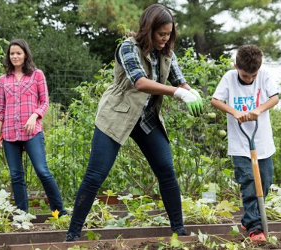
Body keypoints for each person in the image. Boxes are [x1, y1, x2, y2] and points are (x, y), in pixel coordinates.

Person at [65, 4, 203, 242]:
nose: (165, 39)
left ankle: (179, 231)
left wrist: (192, 92)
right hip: (116, 115)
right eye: (161, 34)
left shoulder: (167, 52)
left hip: (146, 118)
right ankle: (73, 234)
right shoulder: (128, 47)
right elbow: (139, 82)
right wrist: (177, 93)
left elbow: (179, 81)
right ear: (148, 30)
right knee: (96, 175)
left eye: (169, 34)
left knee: (166, 170)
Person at [211, 44, 279, 243]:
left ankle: (248, 219)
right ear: (235, 67)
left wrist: (258, 109)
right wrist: (234, 112)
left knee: (264, 182)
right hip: (240, 144)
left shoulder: (264, 75)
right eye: (245, 76)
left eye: (253, 76)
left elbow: (274, 98)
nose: (249, 79)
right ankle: (255, 227)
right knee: (249, 182)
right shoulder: (229, 78)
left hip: (263, 142)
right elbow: (215, 100)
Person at [0, 39, 67, 216]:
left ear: (25, 54)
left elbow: (45, 102)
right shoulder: (3, 80)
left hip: (32, 131)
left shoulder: (37, 75)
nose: (15, 56)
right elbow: (0, 109)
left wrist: (35, 116)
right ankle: (22, 215)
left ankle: (60, 212)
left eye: (18, 53)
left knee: (42, 171)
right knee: (16, 176)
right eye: (12, 53)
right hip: (10, 133)